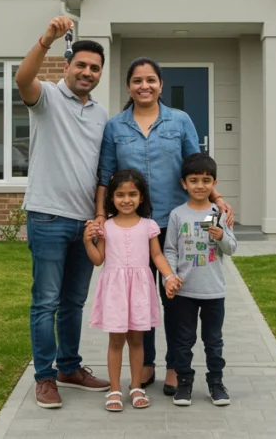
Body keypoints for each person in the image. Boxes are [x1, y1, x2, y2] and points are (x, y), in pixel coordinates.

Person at [95, 57, 234, 395]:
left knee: (175, 298)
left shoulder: (179, 120)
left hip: (175, 223)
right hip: (135, 225)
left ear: (160, 84)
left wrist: (216, 197)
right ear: (129, 86)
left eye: (151, 80)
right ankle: (145, 364)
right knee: (139, 297)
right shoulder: (115, 126)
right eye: (138, 81)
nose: (145, 86)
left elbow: (194, 165)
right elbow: (105, 176)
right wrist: (101, 214)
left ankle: (175, 365)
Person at [16, 16, 110, 409]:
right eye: (82, 65)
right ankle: (45, 377)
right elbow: (23, 79)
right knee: (46, 302)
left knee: (74, 302)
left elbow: (100, 169)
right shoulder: (48, 98)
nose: (87, 72)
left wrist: (100, 215)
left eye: (94, 68)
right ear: (68, 66)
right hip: (48, 217)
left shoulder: (101, 114)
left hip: (84, 221)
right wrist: (46, 39)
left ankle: (70, 367)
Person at [84, 170, 182, 412]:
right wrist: (88, 241)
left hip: (139, 289)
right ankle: (115, 389)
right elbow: (98, 260)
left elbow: (156, 255)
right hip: (115, 291)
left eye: (132, 194)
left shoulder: (149, 226)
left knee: (137, 340)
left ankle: (136, 386)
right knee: (116, 341)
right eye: (120, 195)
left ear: (141, 197)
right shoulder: (105, 226)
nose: (126, 200)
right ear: (111, 198)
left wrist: (169, 276)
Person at [162, 153, 237, 407]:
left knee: (213, 340)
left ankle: (216, 383)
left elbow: (231, 248)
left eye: (206, 180)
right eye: (194, 180)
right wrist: (170, 276)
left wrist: (220, 237)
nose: (200, 186)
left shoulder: (218, 213)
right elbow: (170, 250)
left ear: (214, 183)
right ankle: (184, 383)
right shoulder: (178, 215)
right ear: (184, 183)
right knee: (184, 340)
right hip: (185, 291)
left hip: (213, 291)